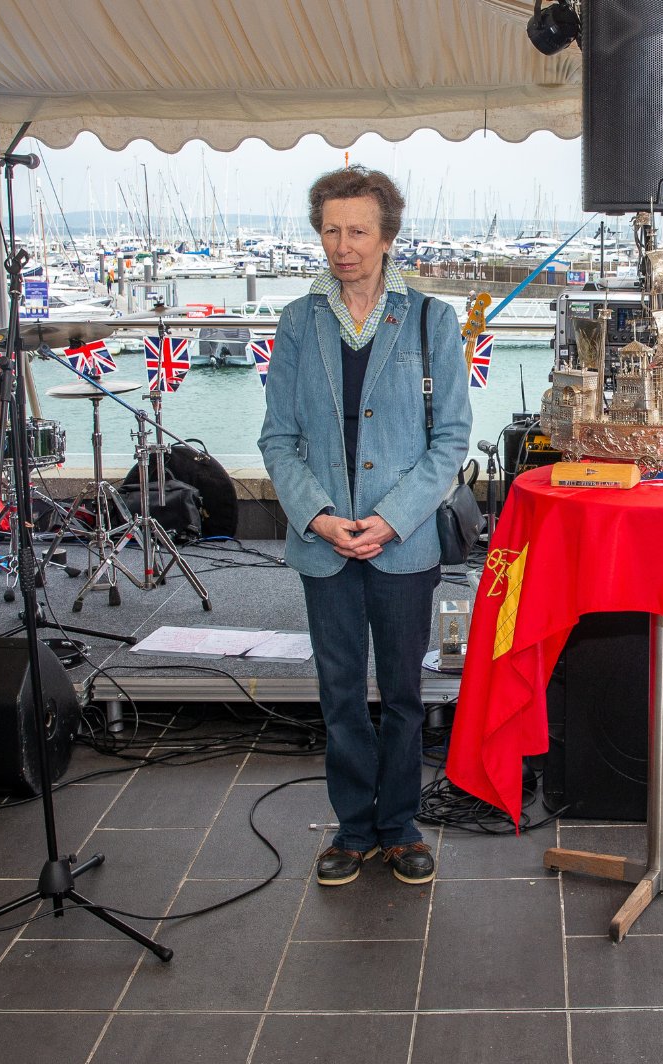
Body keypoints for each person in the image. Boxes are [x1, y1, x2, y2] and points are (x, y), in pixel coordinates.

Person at [259, 166, 471, 888]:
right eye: (330, 230)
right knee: (341, 690)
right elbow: (276, 439)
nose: (341, 246)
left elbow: (451, 440)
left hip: (402, 542)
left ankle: (400, 823)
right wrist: (318, 517)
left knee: (406, 692)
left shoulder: (431, 320)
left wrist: (388, 519)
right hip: (325, 543)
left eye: (356, 231)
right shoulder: (298, 321)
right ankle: (353, 827)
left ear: (386, 237)